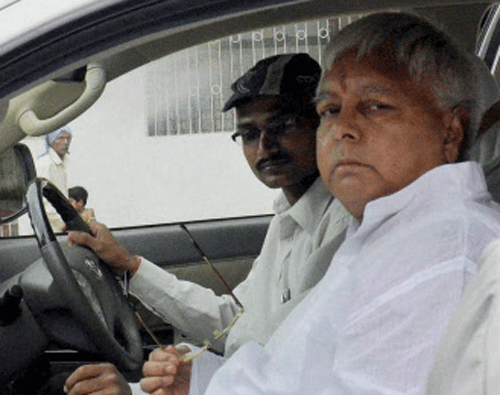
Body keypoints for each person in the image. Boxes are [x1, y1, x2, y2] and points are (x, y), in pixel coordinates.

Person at [138, 11, 500, 395]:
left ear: (451, 131)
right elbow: (298, 371)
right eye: (329, 110)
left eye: (375, 105)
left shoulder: (442, 253)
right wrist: (200, 381)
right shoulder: (393, 230)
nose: (342, 128)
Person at [62, 54, 350, 393]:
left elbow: (294, 371)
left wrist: (183, 382)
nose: (264, 146)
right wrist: (130, 266)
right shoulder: (288, 216)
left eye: (282, 126)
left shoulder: (345, 224)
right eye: (248, 134)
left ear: (323, 124)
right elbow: (237, 319)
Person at [35, 126, 72, 232]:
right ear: (51, 141)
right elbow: (45, 202)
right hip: (51, 230)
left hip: (62, 227)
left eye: (68, 138)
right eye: (60, 138)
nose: (65, 142)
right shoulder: (45, 164)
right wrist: (66, 222)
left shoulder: (63, 163)